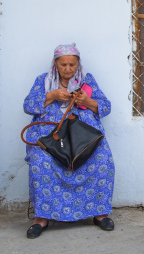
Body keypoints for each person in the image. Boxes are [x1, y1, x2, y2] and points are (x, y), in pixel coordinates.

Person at [23, 43, 115, 239]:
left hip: (83, 138)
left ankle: (99, 213)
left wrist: (87, 102)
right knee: (40, 162)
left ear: (78, 64)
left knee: (102, 159)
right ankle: (41, 218)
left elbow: (106, 107)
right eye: (63, 64)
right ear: (55, 63)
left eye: (72, 64)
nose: (68, 69)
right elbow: (28, 105)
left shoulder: (87, 81)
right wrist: (51, 96)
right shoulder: (43, 81)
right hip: (51, 139)